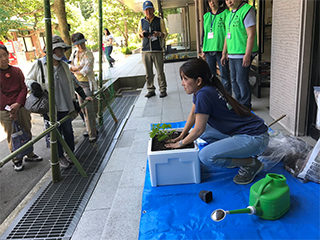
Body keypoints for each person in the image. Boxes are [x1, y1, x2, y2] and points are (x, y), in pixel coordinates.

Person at [165, 58, 269, 185]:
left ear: (198, 81)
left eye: (185, 79)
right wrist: (183, 135)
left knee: (206, 156)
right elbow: (193, 115)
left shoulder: (204, 94)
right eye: (182, 78)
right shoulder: (202, 89)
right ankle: (235, 155)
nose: (182, 83)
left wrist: (181, 144)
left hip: (254, 138)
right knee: (204, 131)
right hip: (244, 133)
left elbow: (198, 129)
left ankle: (251, 163)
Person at [26, 35, 77, 170]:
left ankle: (70, 154)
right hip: (49, 107)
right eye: (57, 49)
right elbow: (28, 79)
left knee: (68, 131)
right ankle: (60, 157)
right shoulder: (39, 65)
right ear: (51, 50)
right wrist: (34, 85)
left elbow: (71, 85)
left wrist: (74, 101)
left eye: (62, 48)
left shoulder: (64, 66)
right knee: (56, 134)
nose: (61, 51)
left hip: (65, 105)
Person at [0, 44, 42, 171]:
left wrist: (17, 104)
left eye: (5, 55)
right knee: (12, 134)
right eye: (0, 56)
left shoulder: (17, 71)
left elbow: (23, 88)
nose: (3, 58)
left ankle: (30, 153)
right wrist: (11, 108)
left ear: (8, 55)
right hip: (5, 109)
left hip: (21, 106)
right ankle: (16, 159)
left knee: (26, 129)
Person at [221, 0, 259, 109]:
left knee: (241, 80)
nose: (229, 1)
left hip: (242, 54)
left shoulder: (247, 10)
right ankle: (238, 103)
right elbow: (226, 36)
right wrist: (224, 53)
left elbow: (251, 34)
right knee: (233, 80)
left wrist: (248, 54)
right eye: (227, 0)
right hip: (232, 54)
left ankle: (245, 105)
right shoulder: (229, 14)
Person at [69, 32, 98, 142]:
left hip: (86, 84)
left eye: (82, 43)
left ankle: (92, 133)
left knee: (88, 108)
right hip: (77, 84)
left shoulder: (89, 53)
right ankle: (89, 128)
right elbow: (69, 66)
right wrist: (78, 67)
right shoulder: (74, 53)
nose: (80, 46)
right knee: (82, 109)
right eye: (78, 44)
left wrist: (76, 69)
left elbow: (86, 70)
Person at [138, 0, 168, 98]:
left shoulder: (159, 20)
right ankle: (151, 89)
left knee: (160, 71)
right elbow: (138, 34)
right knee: (148, 73)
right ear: (144, 11)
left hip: (157, 49)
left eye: (150, 9)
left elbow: (165, 34)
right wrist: (141, 34)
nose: (148, 12)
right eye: (146, 10)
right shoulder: (141, 21)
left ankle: (163, 89)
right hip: (146, 50)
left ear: (153, 9)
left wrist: (159, 34)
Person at [201, 0, 231, 94]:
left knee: (224, 76)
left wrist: (226, 51)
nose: (212, 2)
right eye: (209, 1)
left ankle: (228, 99)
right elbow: (204, 34)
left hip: (221, 49)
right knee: (211, 76)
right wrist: (203, 50)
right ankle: (215, 97)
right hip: (209, 49)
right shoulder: (206, 16)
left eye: (214, 0)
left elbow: (228, 33)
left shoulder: (226, 13)